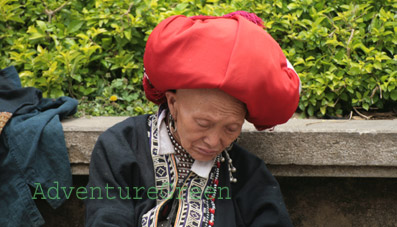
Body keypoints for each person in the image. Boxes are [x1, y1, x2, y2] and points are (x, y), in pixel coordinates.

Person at [85, 11, 300, 227]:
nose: (214, 141)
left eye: (231, 128)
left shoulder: (248, 175)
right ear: (173, 104)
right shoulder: (122, 147)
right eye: (203, 124)